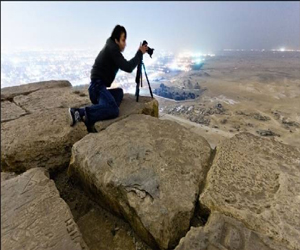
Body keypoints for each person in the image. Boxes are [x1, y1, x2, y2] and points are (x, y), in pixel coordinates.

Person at [68, 25, 148, 133]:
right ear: (116, 40)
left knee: (119, 92)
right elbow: (128, 67)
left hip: (98, 87)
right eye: (123, 40)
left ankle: (101, 107)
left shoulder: (111, 47)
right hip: (97, 87)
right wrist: (139, 53)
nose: (125, 43)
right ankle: (79, 112)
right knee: (114, 110)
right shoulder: (112, 49)